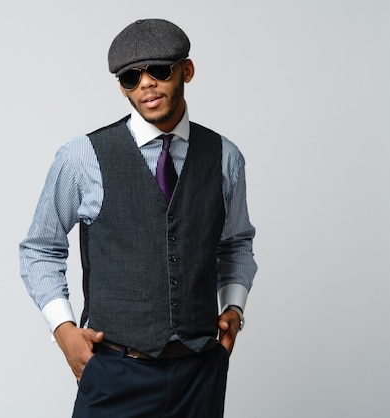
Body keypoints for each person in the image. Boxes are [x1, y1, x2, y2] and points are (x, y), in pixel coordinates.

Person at [20, 18, 257, 418]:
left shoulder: (224, 157)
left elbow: (235, 243)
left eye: (159, 71)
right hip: (115, 371)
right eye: (131, 77)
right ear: (122, 87)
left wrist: (233, 308)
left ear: (187, 70)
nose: (146, 83)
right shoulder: (82, 157)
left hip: (199, 372)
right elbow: (40, 248)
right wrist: (63, 331)